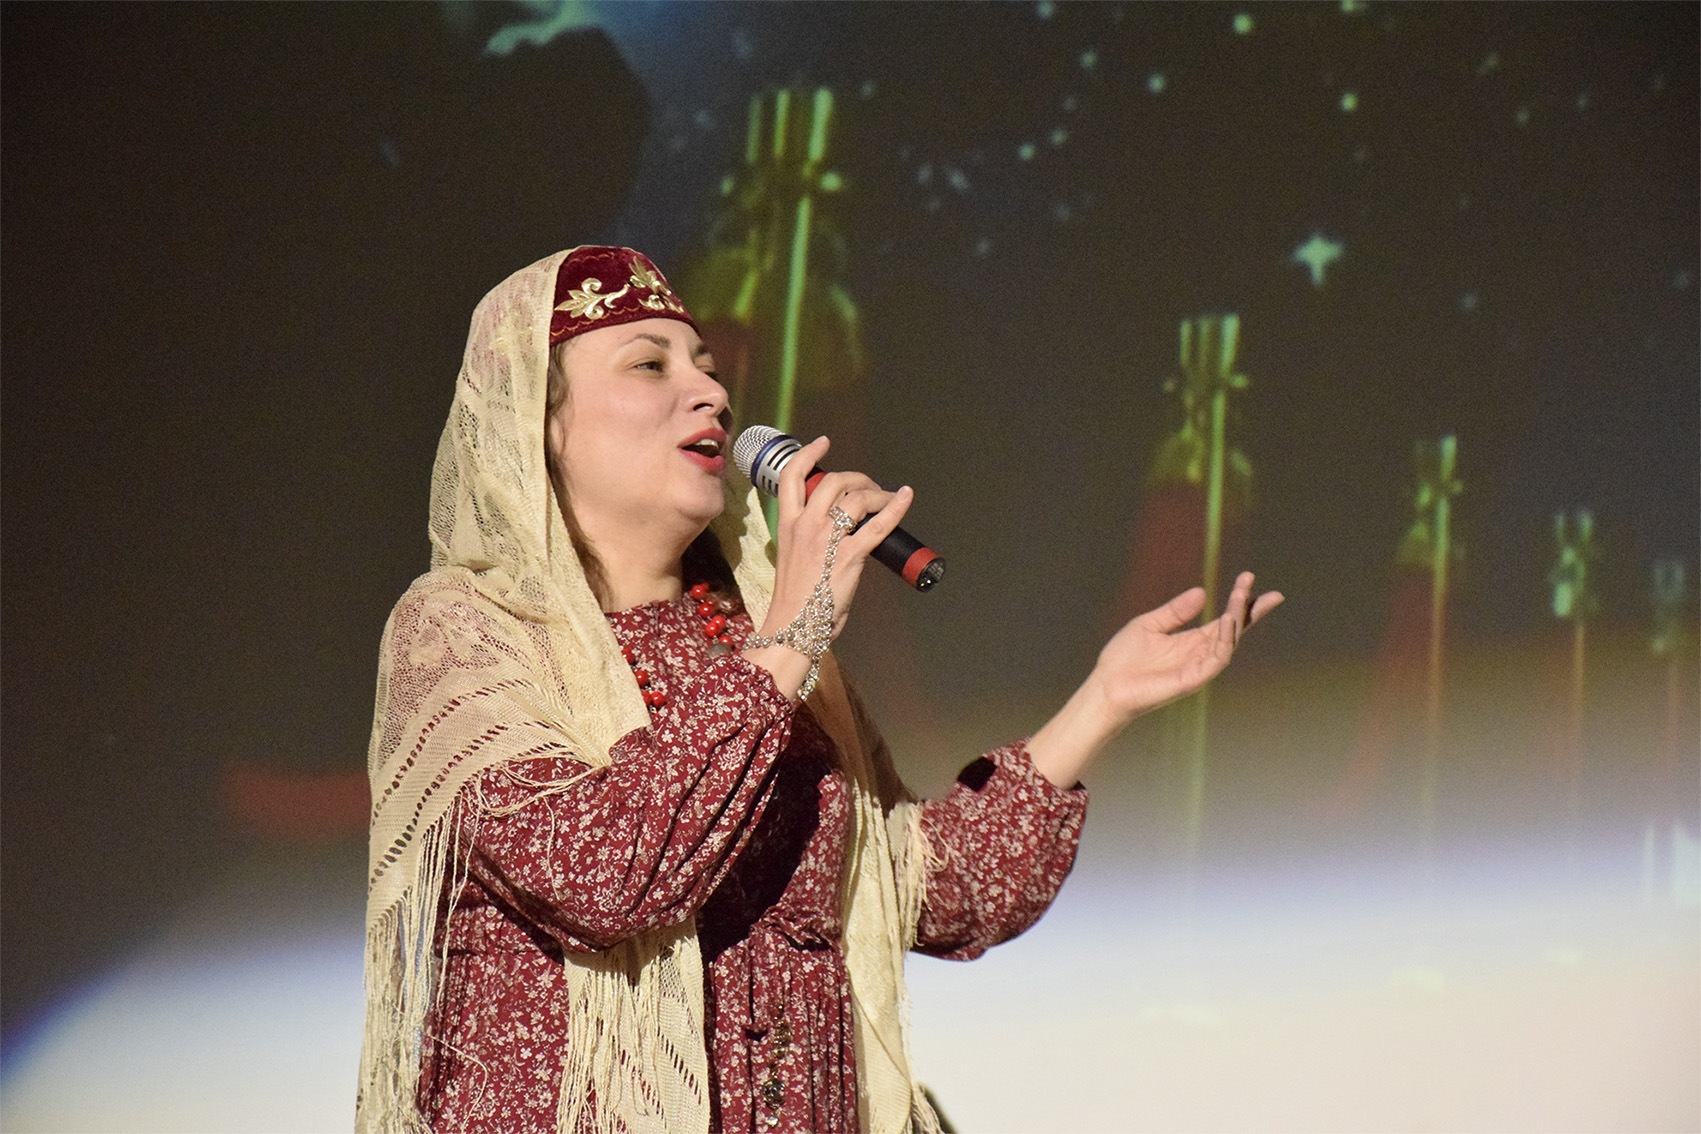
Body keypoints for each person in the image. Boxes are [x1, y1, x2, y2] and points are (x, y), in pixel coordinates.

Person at [356, 246, 1280, 1134]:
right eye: (649, 364)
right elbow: (602, 875)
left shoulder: (749, 633)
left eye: (705, 365)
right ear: (536, 422)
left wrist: (1104, 700)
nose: (711, 390)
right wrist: (791, 635)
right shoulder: (466, 632)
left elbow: (923, 889)